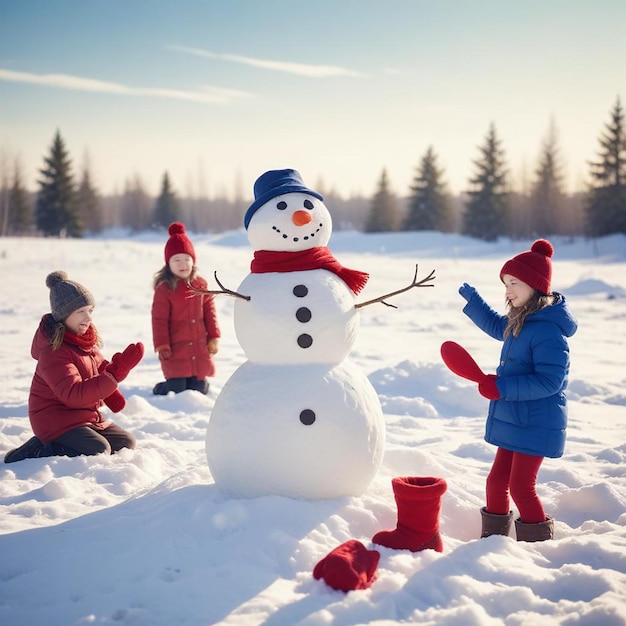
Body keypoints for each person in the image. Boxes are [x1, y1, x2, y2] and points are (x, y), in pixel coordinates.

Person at [457, 239, 577, 542]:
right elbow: (499, 327)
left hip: (537, 420)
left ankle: (538, 546)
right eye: (506, 284)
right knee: (496, 483)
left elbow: (550, 382)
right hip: (516, 416)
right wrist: (475, 303)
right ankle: (492, 543)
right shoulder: (522, 319)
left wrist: (501, 387)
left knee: (522, 486)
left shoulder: (549, 331)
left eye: (514, 283)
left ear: (536, 286)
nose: (508, 291)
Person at [4, 271, 143, 463]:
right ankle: (37, 449)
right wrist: (114, 375)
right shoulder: (53, 352)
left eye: (90, 311)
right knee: (99, 450)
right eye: (81, 312)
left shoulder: (86, 342)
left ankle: (71, 441)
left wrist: (115, 378)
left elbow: (99, 371)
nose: (88, 318)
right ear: (63, 315)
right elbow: (73, 394)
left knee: (126, 443)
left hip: (85, 417)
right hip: (55, 420)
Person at [151, 222, 220, 395]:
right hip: (175, 349)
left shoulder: (201, 284)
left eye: (186, 259)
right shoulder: (165, 289)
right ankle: (162, 387)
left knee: (199, 390)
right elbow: (159, 320)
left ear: (193, 261)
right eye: (177, 260)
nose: (182, 264)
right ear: (168, 263)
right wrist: (162, 345)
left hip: (198, 346)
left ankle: (197, 383)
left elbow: (210, 312)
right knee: (178, 389)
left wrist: (213, 337)